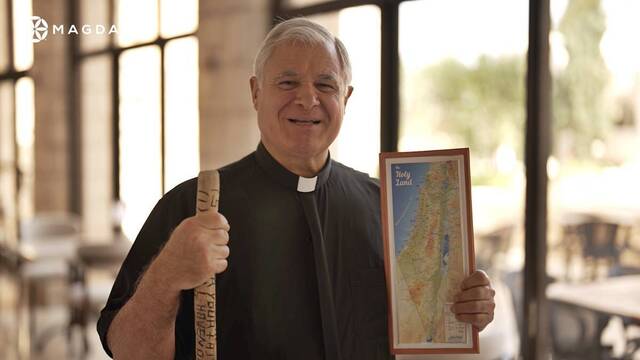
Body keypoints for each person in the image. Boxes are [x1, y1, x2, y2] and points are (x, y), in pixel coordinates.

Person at [97, 18, 496, 360]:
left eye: (326, 84)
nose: (308, 99)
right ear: (256, 92)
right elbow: (126, 349)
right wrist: (166, 275)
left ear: (346, 97)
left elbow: (424, 324)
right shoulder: (191, 206)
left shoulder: (387, 206)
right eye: (288, 82)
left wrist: (465, 307)